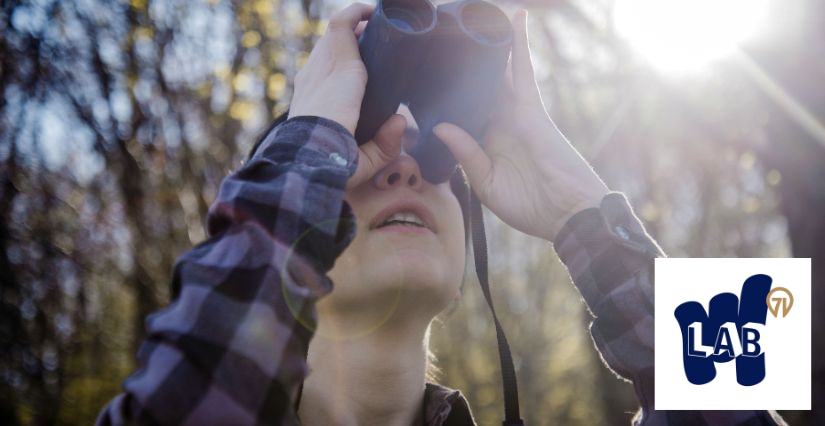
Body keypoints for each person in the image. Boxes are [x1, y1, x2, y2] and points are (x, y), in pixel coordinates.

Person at [97, 4, 786, 425]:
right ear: (292, 217)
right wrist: (314, 134)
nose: (402, 167)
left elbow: (743, 399)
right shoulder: (194, 389)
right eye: (354, 165)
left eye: (433, 163)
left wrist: (587, 214)